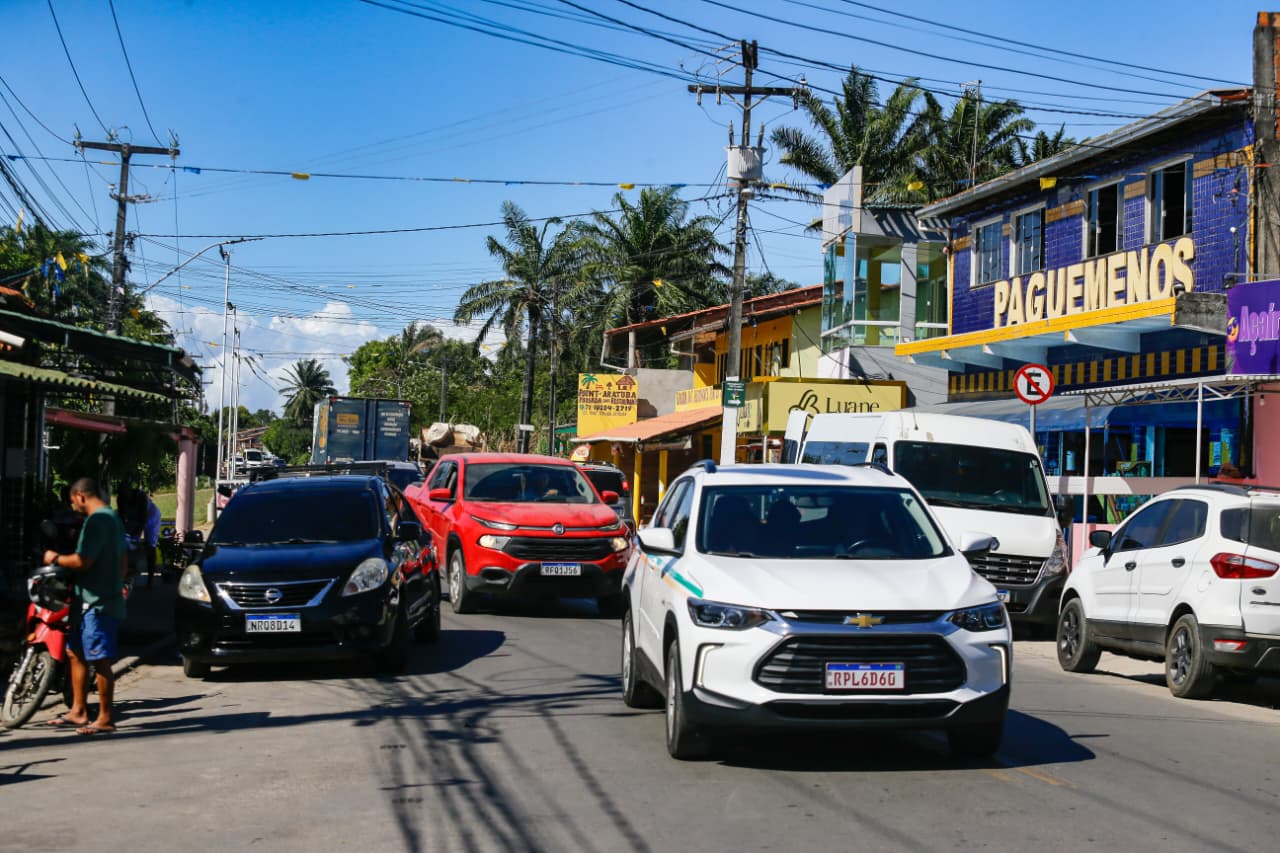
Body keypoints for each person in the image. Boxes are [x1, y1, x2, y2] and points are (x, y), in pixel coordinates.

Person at [41, 477, 127, 736]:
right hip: (90, 599)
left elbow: (83, 561)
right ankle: (78, 710)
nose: (74, 507)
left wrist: (55, 558)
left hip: (97, 603)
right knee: (75, 652)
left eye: (73, 501)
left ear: (80, 496)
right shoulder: (112, 518)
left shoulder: (98, 521)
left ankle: (105, 718)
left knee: (99, 658)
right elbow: (124, 559)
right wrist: (116, 583)